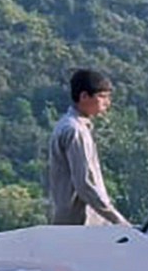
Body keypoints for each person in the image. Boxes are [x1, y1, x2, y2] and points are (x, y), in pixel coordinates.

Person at [47, 67, 128, 226]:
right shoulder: (75, 130)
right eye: (102, 97)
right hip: (79, 223)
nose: (107, 103)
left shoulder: (72, 126)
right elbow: (84, 184)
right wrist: (118, 221)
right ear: (84, 96)